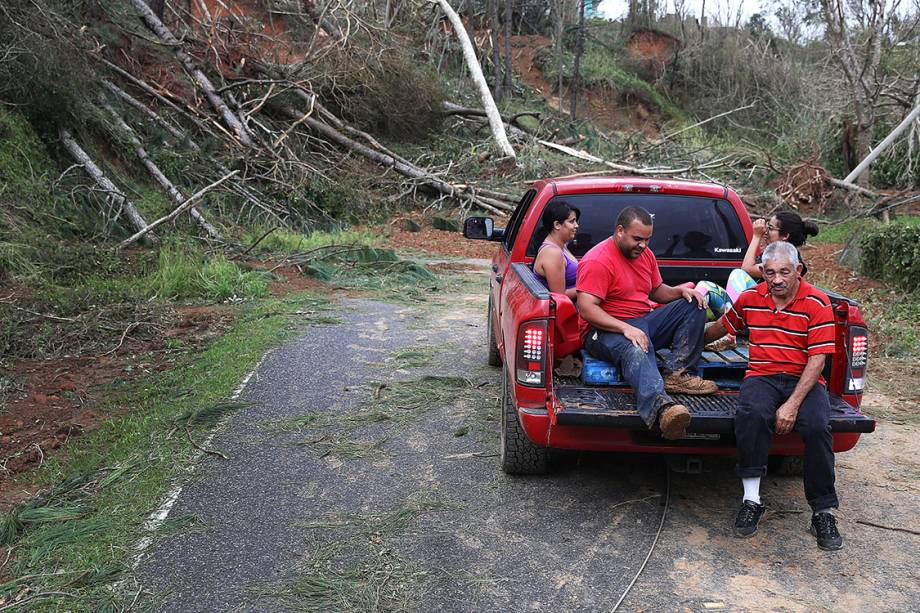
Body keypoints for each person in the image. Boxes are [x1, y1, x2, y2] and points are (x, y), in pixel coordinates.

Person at [704, 241, 842, 550]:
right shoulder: (751, 299)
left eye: (784, 272)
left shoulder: (817, 303)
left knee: (818, 426)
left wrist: (792, 405)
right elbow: (723, 328)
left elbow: (818, 360)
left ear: (798, 271)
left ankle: (823, 512)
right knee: (751, 415)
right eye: (769, 273)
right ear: (762, 273)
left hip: (803, 378)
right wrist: (685, 335)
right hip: (762, 376)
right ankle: (752, 500)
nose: (777, 279)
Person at [577, 206, 718, 441]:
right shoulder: (598, 260)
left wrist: (681, 292)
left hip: (642, 320)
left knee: (694, 304)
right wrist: (625, 328)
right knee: (637, 347)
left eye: (647, 239)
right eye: (637, 239)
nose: (643, 245)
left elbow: (656, 291)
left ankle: (678, 374)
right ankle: (663, 409)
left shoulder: (645, 255)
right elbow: (587, 308)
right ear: (620, 231)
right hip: (602, 330)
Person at [741, 211, 819, 280]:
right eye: (767, 226)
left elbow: (747, 268)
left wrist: (756, 236)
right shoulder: (777, 253)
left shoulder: (783, 259)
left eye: (770, 228)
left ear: (785, 236)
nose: (766, 231)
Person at [532, 200, 580, 300]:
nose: (576, 225)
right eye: (572, 221)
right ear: (557, 225)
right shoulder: (552, 253)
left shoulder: (562, 246)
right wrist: (589, 288)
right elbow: (560, 295)